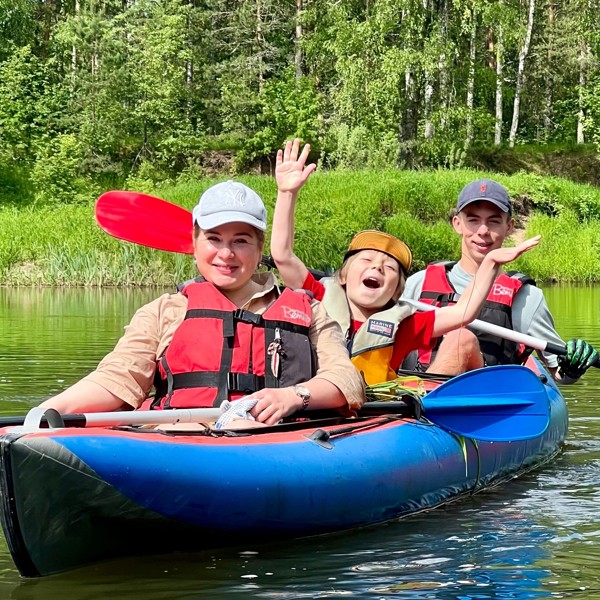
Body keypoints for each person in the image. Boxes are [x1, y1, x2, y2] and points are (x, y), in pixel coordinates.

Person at [39, 179, 366, 428]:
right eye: (214, 239)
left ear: (258, 247)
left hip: (281, 441)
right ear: (195, 243)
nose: (226, 254)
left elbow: (346, 381)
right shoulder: (165, 310)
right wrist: (45, 412)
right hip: (183, 439)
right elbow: (117, 380)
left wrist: (294, 396)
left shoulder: (308, 309)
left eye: (241, 241)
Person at [270, 139, 541, 384]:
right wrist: (287, 193)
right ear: (343, 276)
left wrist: (491, 262)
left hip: (380, 418)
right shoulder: (318, 296)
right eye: (366, 260)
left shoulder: (404, 326)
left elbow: (463, 313)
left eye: (388, 268)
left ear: (398, 291)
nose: (376, 267)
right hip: (318, 405)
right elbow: (282, 255)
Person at [401, 177, 598, 382]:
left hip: (493, 400)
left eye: (494, 221)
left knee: (461, 339)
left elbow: (559, 373)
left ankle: (431, 403)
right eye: (473, 220)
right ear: (457, 224)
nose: (483, 231)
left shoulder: (527, 297)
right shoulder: (418, 283)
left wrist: (572, 367)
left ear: (509, 226)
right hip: (414, 392)